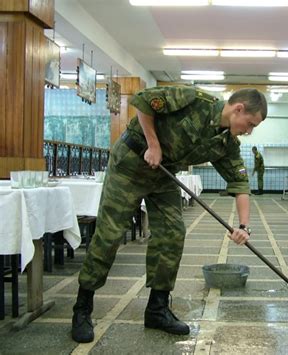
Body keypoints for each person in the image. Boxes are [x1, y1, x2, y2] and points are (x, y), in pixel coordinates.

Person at [71, 86, 267, 343]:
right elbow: (142, 102)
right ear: (238, 108)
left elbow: (240, 185)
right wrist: (153, 143)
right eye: (250, 123)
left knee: (172, 233)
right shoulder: (194, 100)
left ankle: (157, 309)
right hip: (130, 164)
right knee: (110, 233)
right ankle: (82, 308)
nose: (249, 131)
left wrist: (243, 226)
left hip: (164, 174)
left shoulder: (226, 143)